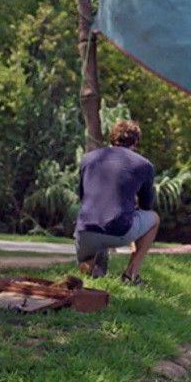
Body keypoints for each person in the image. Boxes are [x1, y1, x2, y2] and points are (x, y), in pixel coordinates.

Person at [74, 119, 159, 284]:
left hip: (85, 230)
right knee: (154, 219)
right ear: (135, 142)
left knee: (88, 271)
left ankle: (91, 263)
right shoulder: (144, 165)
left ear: (112, 138)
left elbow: (83, 196)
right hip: (118, 231)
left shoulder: (88, 159)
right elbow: (146, 206)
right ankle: (130, 274)